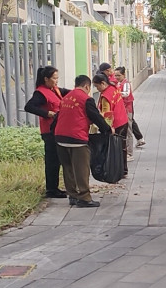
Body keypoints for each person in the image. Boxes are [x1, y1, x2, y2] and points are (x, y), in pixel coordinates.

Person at [51, 75, 114, 208]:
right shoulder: (86, 99)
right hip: (77, 139)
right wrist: (108, 130)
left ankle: (72, 196)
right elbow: (96, 117)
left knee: (68, 168)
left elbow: (57, 117)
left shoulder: (66, 97)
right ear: (87, 86)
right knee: (81, 169)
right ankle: (84, 198)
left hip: (60, 138)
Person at [24, 66, 71, 199]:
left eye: (57, 78)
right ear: (46, 79)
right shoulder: (40, 93)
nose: (56, 81)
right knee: (52, 161)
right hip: (49, 131)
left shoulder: (54, 89)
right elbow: (29, 106)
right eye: (54, 78)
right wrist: (46, 113)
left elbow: (68, 93)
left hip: (57, 129)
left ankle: (55, 187)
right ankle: (51, 190)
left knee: (57, 160)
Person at [92, 73, 129, 178]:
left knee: (114, 148)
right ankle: (124, 170)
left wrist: (106, 128)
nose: (97, 89)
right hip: (123, 120)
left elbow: (106, 115)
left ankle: (115, 170)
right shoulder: (114, 88)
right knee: (122, 147)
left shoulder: (105, 96)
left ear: (103, 83)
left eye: (97, 86)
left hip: (115, 124)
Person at [114, 66, 146, 161]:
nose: (117, 77)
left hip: (127, 110)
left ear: (124, 75)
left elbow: (126, 93)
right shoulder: (118, 83)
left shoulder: (126, 84)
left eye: (119, 75)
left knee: (128, 131)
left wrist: (116, 94)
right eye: (115, 75)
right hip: (121, 110)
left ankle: (130, 153)